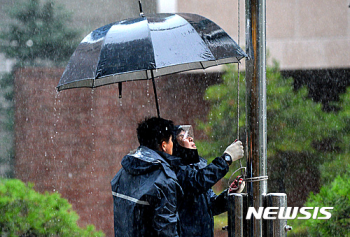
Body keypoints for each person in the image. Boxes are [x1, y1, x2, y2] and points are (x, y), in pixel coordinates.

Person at [111, 117, 182, 237]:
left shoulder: (122, 173)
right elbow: (167, 230)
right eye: (172, 141)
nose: (173, 145)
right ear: (163, 145)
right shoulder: (164, 180)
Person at [172, 125, 245, 237]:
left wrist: (229, 193)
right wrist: (226, 159)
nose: (190, 138)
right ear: (174, 146)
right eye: (183, 137)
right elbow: (196, 182)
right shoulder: (175, 170)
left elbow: (211, 205)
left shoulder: (195, 169)